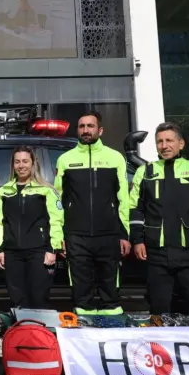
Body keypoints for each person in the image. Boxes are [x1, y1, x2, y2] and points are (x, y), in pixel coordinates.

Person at [129, 122, 189, 325]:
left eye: (169, 140)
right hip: (157, 253)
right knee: (158, 311)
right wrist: (137, 240)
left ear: (181, 144)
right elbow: (135, 209)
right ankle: (161, 345)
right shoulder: (145, 172)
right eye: (160, 141)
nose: (164, 146)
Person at [55, 112, 130, 316]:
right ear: (77, 130)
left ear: (100, 130)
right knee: (80, 286)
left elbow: (123, 199)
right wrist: (60, 235)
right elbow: (58, 201)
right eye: (82, 126)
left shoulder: (115, 158)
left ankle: (112, 318)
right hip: (76, 234)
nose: (86, 130)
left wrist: (124, 233)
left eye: (90, 126)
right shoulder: (65, 160)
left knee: (110, 284)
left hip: (109, 232)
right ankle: (84, 320)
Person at [0, 146, 63, 310]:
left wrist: (53, 249)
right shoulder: (4, 191)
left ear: (33, 164)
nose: (21, 165)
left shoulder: (46, 190)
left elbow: (56, 221)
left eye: (25, 161)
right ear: (13, 165)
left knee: (39, 297)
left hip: (39, 252)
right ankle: (21, 326)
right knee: (17, 300)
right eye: (17, 162)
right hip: (12, 253)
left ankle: (39, 327)